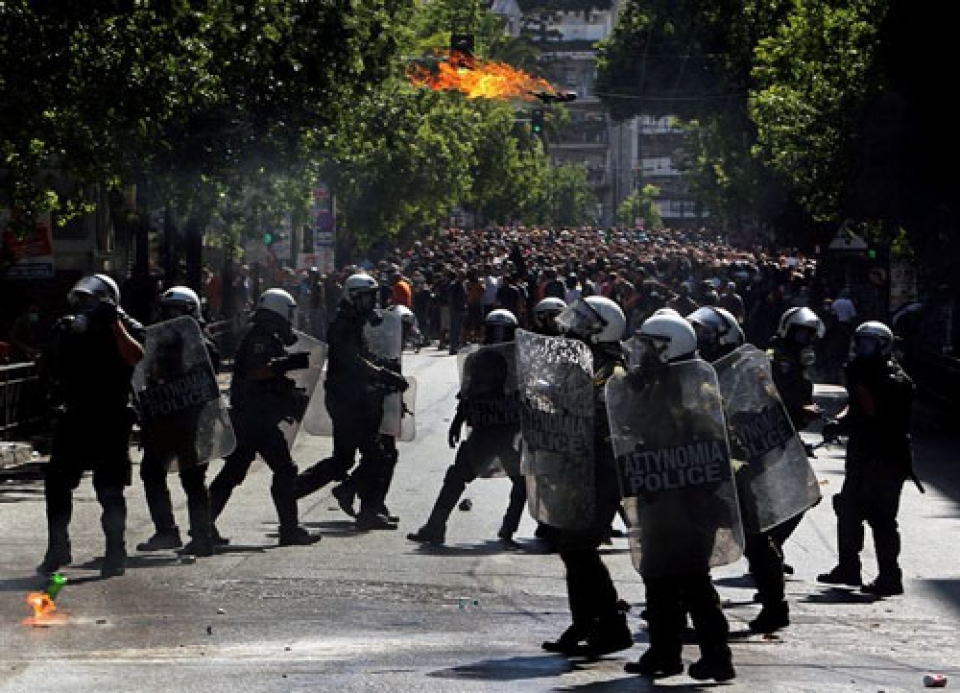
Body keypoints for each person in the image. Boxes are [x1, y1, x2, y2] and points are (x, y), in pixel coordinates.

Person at [620, 312, 736, 681]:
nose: (645, 353)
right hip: (660, 497)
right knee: (657, 576)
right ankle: (664, 652)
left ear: (671, 348)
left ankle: (718, 656)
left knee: (692, 580)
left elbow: (712, 444)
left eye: (652, 346)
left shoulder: (695, 390)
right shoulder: (657, 384)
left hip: (688, 501)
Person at [540, 296, 633, 658]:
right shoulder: (588, 360)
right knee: (571, 546)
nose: (573, 326)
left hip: (605, 468)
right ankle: (584, 623)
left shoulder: (612, 367)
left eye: (584, 322)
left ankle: (610, 625)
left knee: (578, 546)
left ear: (602, 328)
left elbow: (596, 409)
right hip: (582, 465)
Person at [37, 274, 145, 577]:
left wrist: (114, 324)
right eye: (81, 300)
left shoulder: (127, 327)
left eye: (92, 300)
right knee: (57, 484)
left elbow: (135, 356)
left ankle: (115, 551)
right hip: (74, 417)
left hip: (110, 419)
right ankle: (58, 547)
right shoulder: (69, 327)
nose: (86, 306)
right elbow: (49, 363)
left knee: (109, 489)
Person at [295, 273, 409, 530]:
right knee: (370, 455)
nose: (373, 302)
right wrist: (383, 374)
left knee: (350, 458)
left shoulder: (357, 321)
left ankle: (297, 492)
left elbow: (364, 355)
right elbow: (352, 360)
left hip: (355, 397)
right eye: (369, 297)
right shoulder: (344, 323)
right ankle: (298, 492)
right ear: (354, 296)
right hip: (346, 399)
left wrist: (383, 369)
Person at [208, 288, 321, 546]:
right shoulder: (260, 338)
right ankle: (289, 530)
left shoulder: (266, 335)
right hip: (254, 419)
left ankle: (204, 527)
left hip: (254, 417)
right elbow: (257, 372)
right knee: (284, 470)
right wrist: (286, 364)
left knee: (233, 472)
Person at [407, 309, 524, 546]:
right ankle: (435, 526)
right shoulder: (476, 359)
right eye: (494, 331)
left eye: (503, 332)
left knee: (524, 482)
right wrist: (458, 420)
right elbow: (467, 394)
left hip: (507, 430)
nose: (498, 337)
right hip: (485, 430)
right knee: (457, 477)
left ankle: (508, 530)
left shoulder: (519, 360)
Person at [818, 321, 916, 596]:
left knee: (881, 517)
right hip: (864, 454)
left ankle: (889, 577)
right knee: (848, 507)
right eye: (861, 342)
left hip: (885, 457)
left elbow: (872, 416)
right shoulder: (864, 372)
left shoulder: (892, 380)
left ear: (883, 346)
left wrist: (845, 424)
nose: (863, 349)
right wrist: (840, 420)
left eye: (870, 343)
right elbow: (855, 407)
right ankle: (848, 567)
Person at [136, 286, 221, 557]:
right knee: (152, 474)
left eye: (177, 311)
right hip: (162, 421)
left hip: (192, 423)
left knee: (193, 480)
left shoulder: (202, 345)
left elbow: (205, 382)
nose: (171, 316)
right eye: (168, 310)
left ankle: (202, 536)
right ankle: (166, 532)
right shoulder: (155, 343)